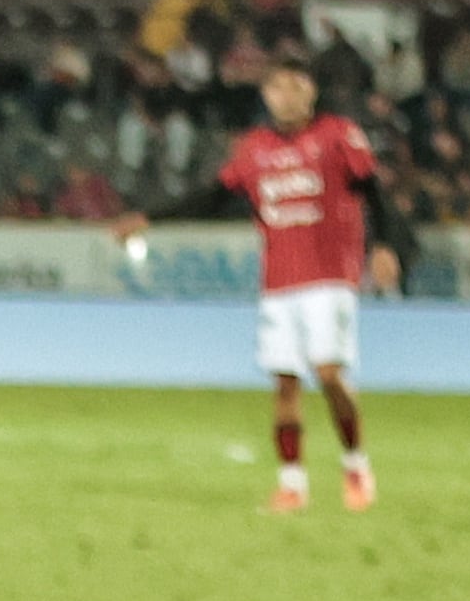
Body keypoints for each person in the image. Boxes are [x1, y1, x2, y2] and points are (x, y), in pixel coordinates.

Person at [118, 61, 409, 512]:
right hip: (279, 282)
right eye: (277, 87)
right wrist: (149, 217)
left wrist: (385, 244)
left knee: (329, 374)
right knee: (285, 384)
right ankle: (292, 484)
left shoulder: (338, 134)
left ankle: (355, 463)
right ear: (266, 95)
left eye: (295, 86)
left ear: (311, 92)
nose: (286, 95)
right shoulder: (254, 148)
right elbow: (213, 196)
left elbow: (375, 192)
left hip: (330, 276)